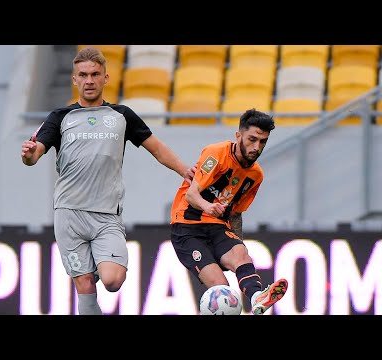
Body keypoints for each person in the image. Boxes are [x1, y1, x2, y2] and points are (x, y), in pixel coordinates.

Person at [20, 46, 196, 315]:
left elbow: (157, 149)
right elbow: (34, 155)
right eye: (83, 75)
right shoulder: (60, 117)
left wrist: (185, 170)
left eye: (95, 74)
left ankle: (94, 266)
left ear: (106, 78)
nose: (89, 80)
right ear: (74, 79)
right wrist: (29, 156)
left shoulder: (122, 116)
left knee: (113, 280)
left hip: (106, 216)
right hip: (69, 214)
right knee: (85, 284)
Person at [170, 108, 288, 315]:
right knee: (222, 289)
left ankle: (257, 298)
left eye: (262, 142)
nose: (256, 147)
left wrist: (236, 241)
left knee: (241, 254)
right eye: (252, 139)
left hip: (217, 226)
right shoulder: (216, 153)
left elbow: (235, 213)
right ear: (238, 135)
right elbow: (191, 195)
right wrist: (208, 207)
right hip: (187, 227)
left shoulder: (255, 175)